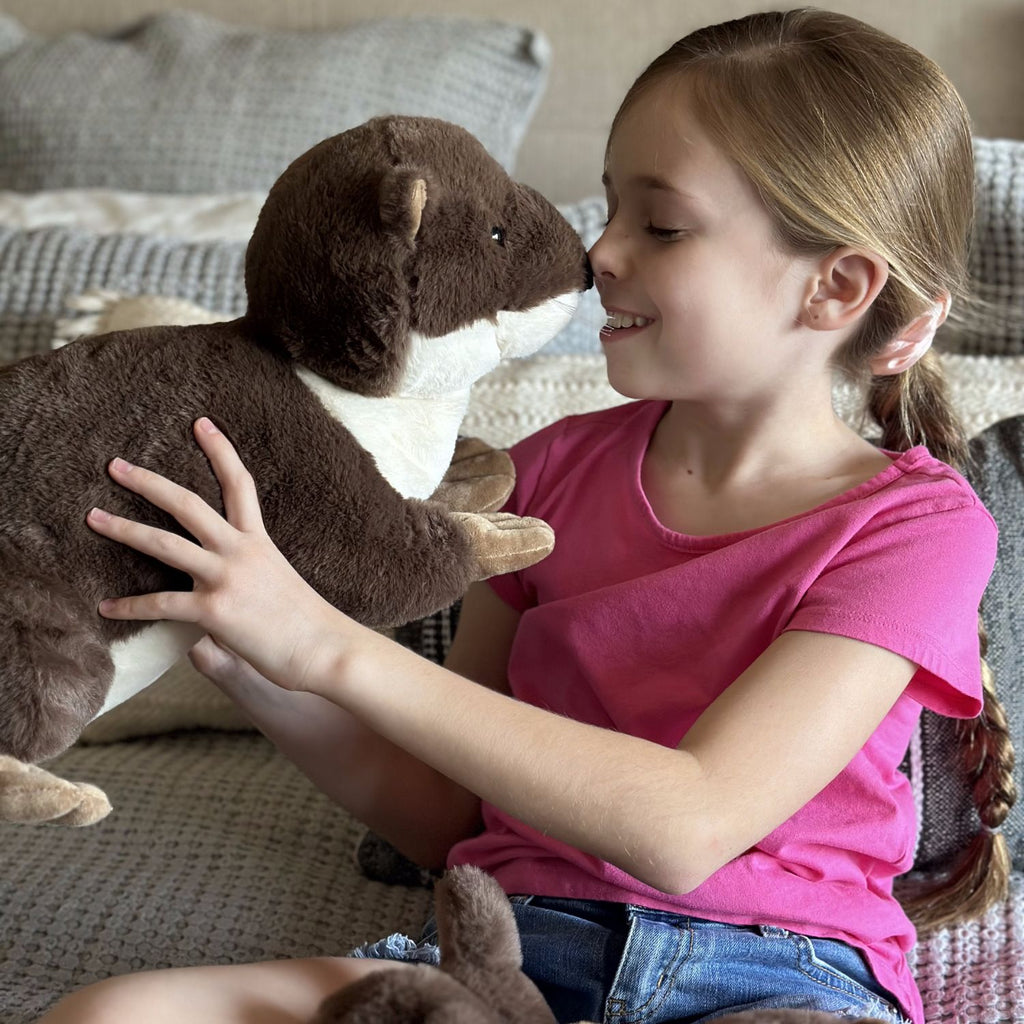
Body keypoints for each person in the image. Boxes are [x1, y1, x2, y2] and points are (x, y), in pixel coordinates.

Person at [38, 9, 1015, 1024]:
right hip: (505, 956)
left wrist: (321, 643)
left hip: (778, 975)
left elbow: (689, 822)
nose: (599, 253)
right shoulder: (539, 476)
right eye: (607, 210)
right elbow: (452, 814)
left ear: (837, 287)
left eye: (661, 225)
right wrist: (254, 662)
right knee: (109, 1014)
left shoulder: (918, 529)